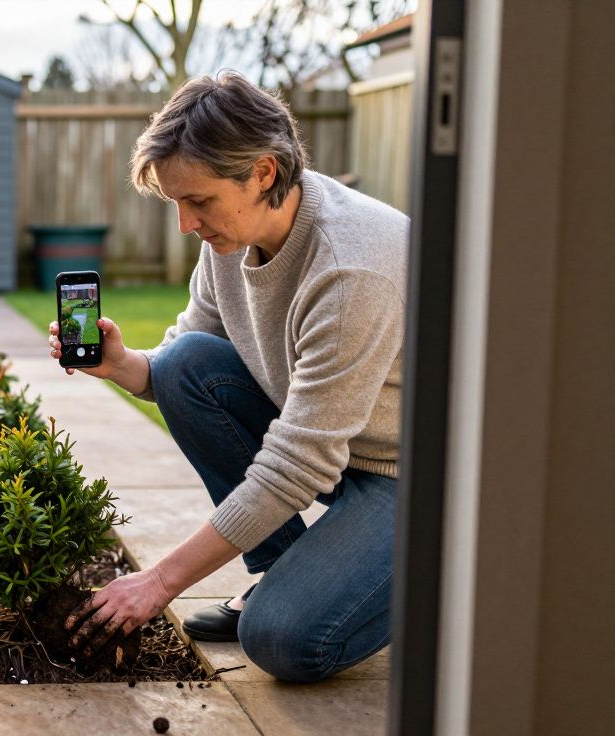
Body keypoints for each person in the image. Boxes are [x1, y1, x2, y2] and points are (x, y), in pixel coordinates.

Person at [49, 71, 408, 683]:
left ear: (263, 173)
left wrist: (159, 582)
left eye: (200, 201)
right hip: (340, 448)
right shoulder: (231, 239)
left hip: (411, 476)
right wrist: (122, 367)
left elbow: (297, 465)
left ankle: (437, 570)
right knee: (186, 360)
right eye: (177, 203)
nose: (186, 224)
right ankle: (289, 567)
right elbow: (189, 365)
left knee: (281, 639)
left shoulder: (352, 269)